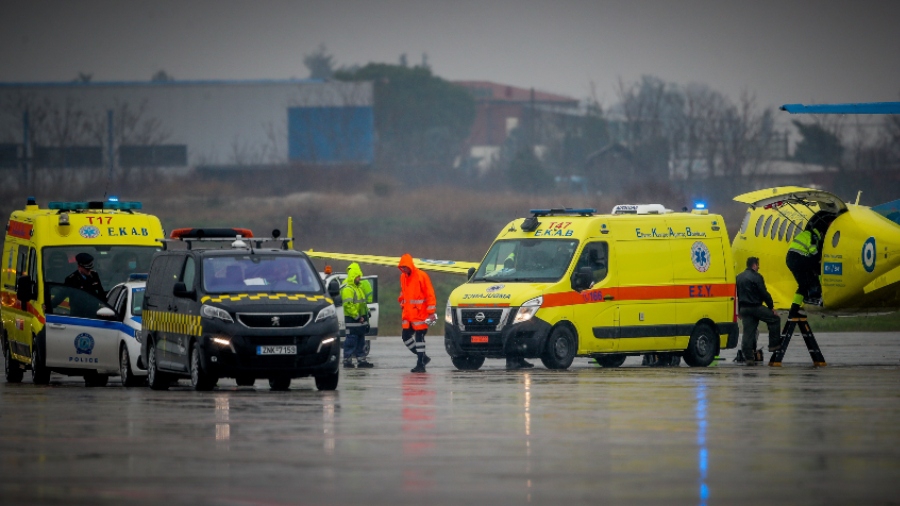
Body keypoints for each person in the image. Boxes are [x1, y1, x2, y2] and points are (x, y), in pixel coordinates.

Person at [736, 257, 782, 365]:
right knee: (774, 319)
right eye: (758, 265)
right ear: (754, 265)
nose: (759, 267)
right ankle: (774, 345)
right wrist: (771, 307)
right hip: (756, 307)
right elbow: (764, 293)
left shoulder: (738, 277)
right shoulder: (757, 277)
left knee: (748, 333)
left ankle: (749, 358)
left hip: (744, 309)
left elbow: (736, 295)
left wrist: (738, 310)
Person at [398, 254, 436, 373]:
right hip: (409, 315)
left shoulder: (421, 276)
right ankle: (422, 358)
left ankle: (421, 363)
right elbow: (404, 293)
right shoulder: (403, 277)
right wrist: (402, 302)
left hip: (421, 314)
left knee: (420, 339)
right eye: (402, 267)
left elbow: (430, 294)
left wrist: (431, 313)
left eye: (405, 267)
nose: (404, 269)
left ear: (410, 265)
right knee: (405, 337)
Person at [785, 221, 824, 318]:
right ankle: (817, 292)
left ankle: (794, 311)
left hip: (790, 259)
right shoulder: (815, 237)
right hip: (799, 259)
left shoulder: (806, 233)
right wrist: (820, 259)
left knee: (803, 285)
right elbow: (813, 252)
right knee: (816, 267)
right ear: (822, 233)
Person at [341, 263, 373, 368]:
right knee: (351, 339)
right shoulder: (348, 289)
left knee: (361, 340)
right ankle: (347, 360)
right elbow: (348, 305)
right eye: (358, 276)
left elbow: (362, 304)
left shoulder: (358, 288)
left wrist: (366, 312)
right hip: (352, 319)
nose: (359, 278)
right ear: (353, 276)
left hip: (360, 319)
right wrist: (357, 316)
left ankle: (361, 360)